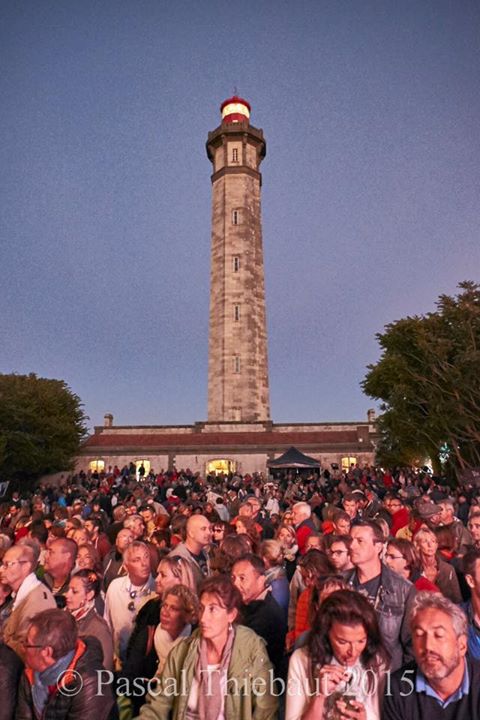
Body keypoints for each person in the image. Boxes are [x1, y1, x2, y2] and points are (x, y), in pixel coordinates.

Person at [133, 574, 277, 720]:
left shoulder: (251, 651)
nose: (203, 618)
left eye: (212, 609)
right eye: (201, 609)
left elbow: (266, 710)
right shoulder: (182, 652)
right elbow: (157, 706)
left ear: (231, 615)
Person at [286, 589, 389, 720]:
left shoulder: (377, 662)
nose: (353, 651)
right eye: (343, 642)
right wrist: (320, 695)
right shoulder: (302, 660)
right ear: (326, 633)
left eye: (361, 641)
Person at [383, 592, 480, 718]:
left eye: (438, 635)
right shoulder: (398, 687)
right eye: (419, 635)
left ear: (461, 645)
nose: (428, 646)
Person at [15, 608, 114, 719]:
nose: (23, 648)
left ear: (46, 652)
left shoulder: (90, 683)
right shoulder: (30, 673)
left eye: (27, 644)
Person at [346, 521, 415, 671]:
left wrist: (401, 684)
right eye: (350, 540)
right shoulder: (341, 584)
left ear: (378, 547)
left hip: (386, 676)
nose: (352, 545)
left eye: (360, 541)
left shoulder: (402, 589)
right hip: (348, 674)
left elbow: (411, 645)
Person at [122, 584, 198, 715]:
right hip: (147, 710)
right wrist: (151, 686)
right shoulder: (148, 636)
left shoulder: (194, 643)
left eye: (173, 608)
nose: (165, 611)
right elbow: (128, 679)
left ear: (186, 615)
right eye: (164, 605)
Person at [231, 553, 287, 675]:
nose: (235, 584)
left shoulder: (266, 615)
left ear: (261, 580)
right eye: (233, 578)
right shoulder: (248, 604)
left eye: (242, 578)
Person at [0, 542, 56, 659]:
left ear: (26, 566)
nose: (1, 569)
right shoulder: (22, 593)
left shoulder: (38, 600)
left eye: (7, 564)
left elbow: (26, 650)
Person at [104, 540, 156, 664]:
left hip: (145, 665)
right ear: (126, 567)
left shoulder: (157, 590)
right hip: (118, 661)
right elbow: (108, 623)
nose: (144, 564)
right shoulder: (115, 587)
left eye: (146, 557)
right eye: (136, 560)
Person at [65, 569, 114, 671]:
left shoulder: (99, 629)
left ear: (89, 595)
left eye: (74, 591)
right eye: (68, 589)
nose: (67, 595)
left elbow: (104, 671)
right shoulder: (63, 618)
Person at [413, 527, 462, 603]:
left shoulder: (448, 569)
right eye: (425, 541)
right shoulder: (413, 570)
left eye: (433, 541)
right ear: (418, 546)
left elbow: (457, 599)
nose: (430, 545)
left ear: (436, 545)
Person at [168, 514, 211, 587]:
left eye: (210, 529)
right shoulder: (176, 559)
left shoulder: (205, 553)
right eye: (203, 529)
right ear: (191, 533)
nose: (209, 532)